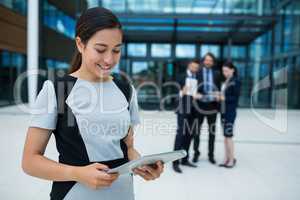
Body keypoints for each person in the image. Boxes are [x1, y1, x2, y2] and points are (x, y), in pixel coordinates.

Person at [22, 7, 164, 200]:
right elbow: (30, 161)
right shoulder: (57, 89)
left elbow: (127, 148)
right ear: (80, 44)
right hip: (74, 194)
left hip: (122, 193)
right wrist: (77, 173)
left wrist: (141, 166)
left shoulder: (126, 90)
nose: (109, 59)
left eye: (116, 50)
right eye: (100, 49)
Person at [192, 52, 221, 164]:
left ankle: (211, 155)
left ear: (212, 62)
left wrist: (218, 95)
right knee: (196, 132)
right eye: (206, 60)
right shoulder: (197, 73)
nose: (208, 62)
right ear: (203, 61)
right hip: (199, 106)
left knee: (212, 132)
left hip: (212, 106)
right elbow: (193, 88)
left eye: (210, 60)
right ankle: (196, 154)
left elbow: (218, 89)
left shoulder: (217, 74)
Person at [172, 59, 200, 173]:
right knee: (180, 135)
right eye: (193, 66)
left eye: (196, 68)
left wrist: (199, 95)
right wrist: (181, 92)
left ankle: (185, 159)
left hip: (194, 109)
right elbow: (173, 92)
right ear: (189, 65)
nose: (194, 69)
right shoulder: (180, 76)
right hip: (182, 109)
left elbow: (199, 91)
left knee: (190, 134)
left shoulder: (198, 78)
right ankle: (175, 162)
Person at [218, 61, 241, 168]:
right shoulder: (226, 81)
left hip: (230, 112)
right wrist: (219, 96)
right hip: (223, 112)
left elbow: (235, 98)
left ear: (232, 70)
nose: (225, 73)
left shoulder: (236, 81)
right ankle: (226, 158)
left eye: (226, 71)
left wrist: (224, 98)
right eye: (223, 71)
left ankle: (231, 160)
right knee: (225, 137)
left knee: (229, 136)